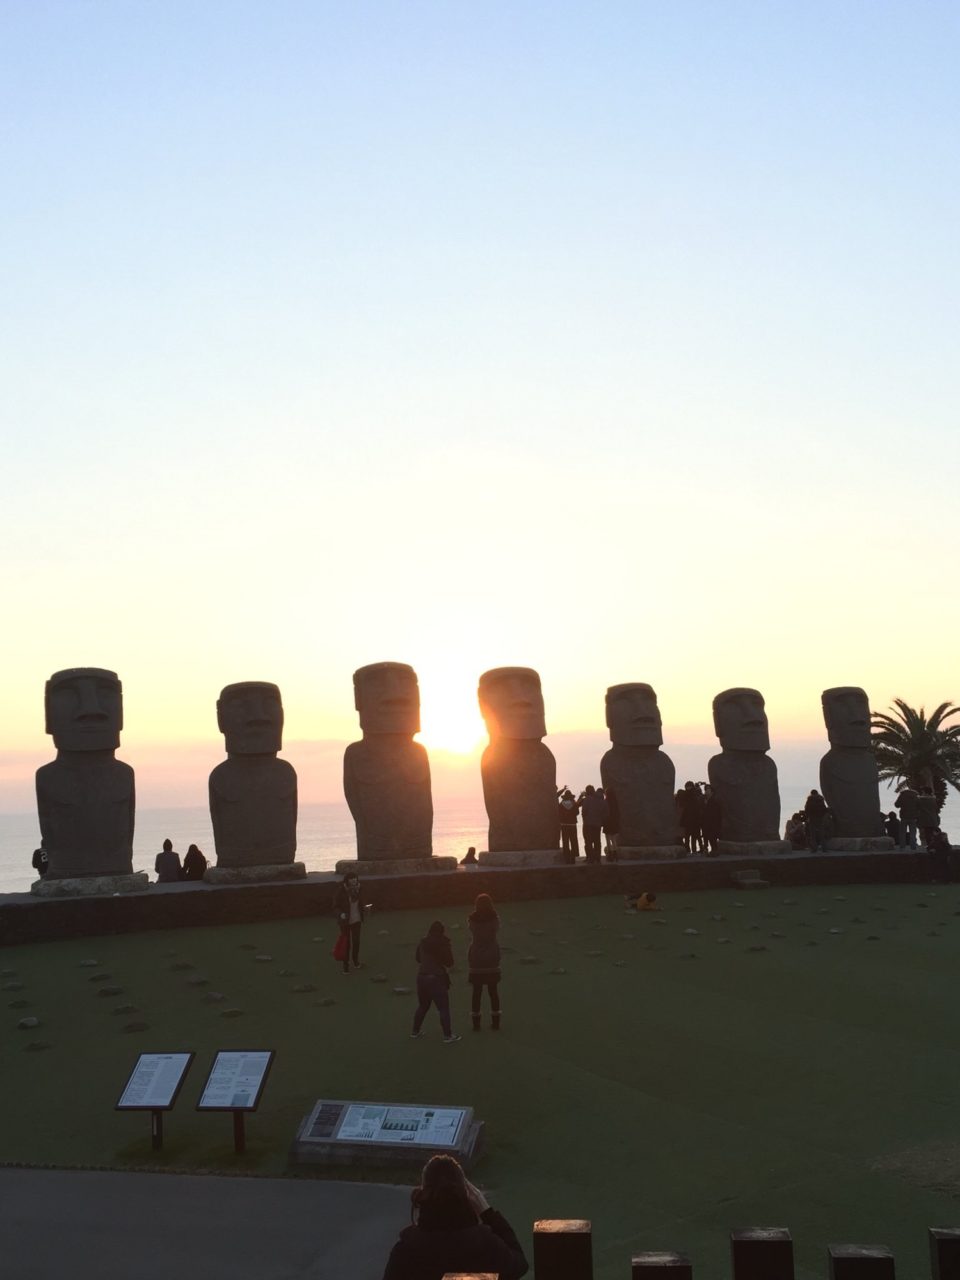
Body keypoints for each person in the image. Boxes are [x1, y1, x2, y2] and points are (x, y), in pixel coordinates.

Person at [381, 1153, 528, 1280]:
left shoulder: (406, 1250)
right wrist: (487, 1212)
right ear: (466, 1194)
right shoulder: (485, 1245)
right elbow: (520, 1265)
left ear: (424, 1194)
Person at [411, 921, 460, 1043]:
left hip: (422, 977)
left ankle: (415, 1031)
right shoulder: (443, 943)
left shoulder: (422, 942)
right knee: (443, 1008)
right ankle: (448, 1036)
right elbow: (449, 962)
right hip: (436, 978)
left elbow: (418, 958)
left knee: (423, 1006)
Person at [468, 893, 501, 1032]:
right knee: (493, 991)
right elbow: (496, 930)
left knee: (476, 992)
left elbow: (472, 930)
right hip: (492, 956)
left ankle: (476, 1024)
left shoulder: (472, 919)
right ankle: (496, 1022)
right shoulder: (495, 918)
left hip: (476, 957)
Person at [334, 872, 366, 974]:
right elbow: (335, 906)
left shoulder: (359, 889)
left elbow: (361, 902)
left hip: (357, 919)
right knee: (346, 943)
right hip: (345, 921)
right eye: (351, 878)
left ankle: (356, 961)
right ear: (347, 880)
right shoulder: (341, 890)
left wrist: (365, 908)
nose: (354, 880)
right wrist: (341, 914)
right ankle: (346, 966)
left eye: (355, 878)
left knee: (356, 942)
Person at [580, 785, 607, 863]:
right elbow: (606, 812)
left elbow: (584, 811)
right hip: (598, 824)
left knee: (588, 841)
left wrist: (585, 819)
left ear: (587, 791)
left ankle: (590, 858)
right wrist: (601, 821)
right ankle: (597, 858)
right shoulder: (601, 799)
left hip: (588, 824)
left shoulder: (587, 799)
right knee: (597, 841)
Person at [677, 781, 703, 854]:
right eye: (687, 786)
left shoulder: (692, 795)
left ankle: (692, 850)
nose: (688, 788)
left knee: (693, 837)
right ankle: (689, 850)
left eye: (689, 786)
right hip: (689, 820)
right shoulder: (690, 795)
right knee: (689, 837)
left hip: (693, 820)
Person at [557, 788, 580, 862]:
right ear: (571, 797)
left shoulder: (561, 804)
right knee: (574, 840)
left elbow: (559, 814)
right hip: (572, 825)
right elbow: (577, 813)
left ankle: (567, 858)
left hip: (564, 825)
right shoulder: (574, 803)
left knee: (565, 841)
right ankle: (573, 857)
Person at [895, 784, 920, 850]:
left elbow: (896, 805)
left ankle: (902, 846)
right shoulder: (915, 796)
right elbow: (919, 805)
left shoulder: (902, 795)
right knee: (913, 833)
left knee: (902, 833)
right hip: (913, 817)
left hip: (904, 816)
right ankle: (913, 846)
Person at [702, 784, 722, 855]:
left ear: (712, 792)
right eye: (706, 789)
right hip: (706, 822)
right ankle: (713, 851)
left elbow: (717, 813)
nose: (706, 791)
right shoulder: (704, 800)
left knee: (712, 837)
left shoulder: (715, 801)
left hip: (713, 822)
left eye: (708, 789)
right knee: (708, 837)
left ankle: (715, 851)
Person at [602, 785, 620, 859]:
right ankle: (615, 853)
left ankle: (610, 854)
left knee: (607, 838)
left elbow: (603, 812)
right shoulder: (615, 802)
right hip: (614, 822)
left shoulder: (605, 801)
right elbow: (618, 813)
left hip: (607, 822)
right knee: (613, 838)